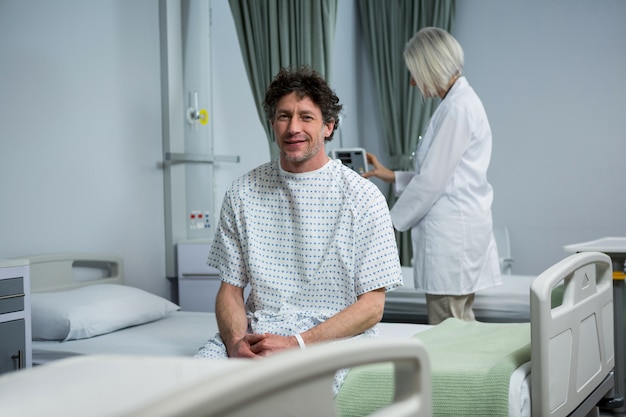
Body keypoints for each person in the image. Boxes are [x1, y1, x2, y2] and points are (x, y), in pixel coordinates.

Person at [195, 66, 402, 394]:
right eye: (283, 116)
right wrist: (236, 345)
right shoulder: (243, 192)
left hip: (331, 338)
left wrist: (297, 343)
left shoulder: (363, 198)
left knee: (287, 397)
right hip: (257, 334)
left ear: (329, 126)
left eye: (306, 117)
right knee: (190, 390)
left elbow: (372, 307)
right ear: (273, 124)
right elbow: (230, 291)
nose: (293, 128)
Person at [363, 27, 501, 325]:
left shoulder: (457, 109)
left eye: (415, 72)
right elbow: (444, 177)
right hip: (458, 235)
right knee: (460, 324)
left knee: (448, 332)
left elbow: (432, 183)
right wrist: (391, 175)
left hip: (453, 241)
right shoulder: (457, 103)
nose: (413, 82)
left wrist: (386, 224)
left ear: (431, 67)